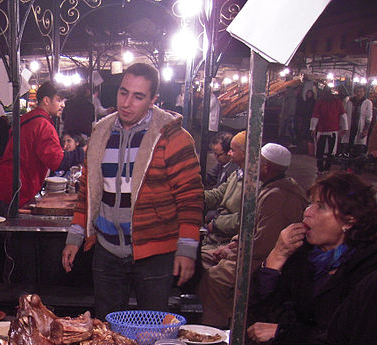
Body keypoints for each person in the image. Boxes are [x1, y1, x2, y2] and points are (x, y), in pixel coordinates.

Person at [62, 62, 203, 319]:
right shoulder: (101, 132)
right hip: (106, 249)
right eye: (123, 92)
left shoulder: (172, 137)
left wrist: (186, 249)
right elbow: (88, 191)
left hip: (154, 252)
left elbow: (191, 197)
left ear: (153, 100)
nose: (126, 103)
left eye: (138, 96)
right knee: (107, 330)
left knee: (153, 327)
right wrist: (75, 235)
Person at [246, 173, 377, 345]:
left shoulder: (366, 269)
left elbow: (340, 336)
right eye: (310, 204)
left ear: (348, 221)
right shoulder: (306, 255)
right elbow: (260, 309)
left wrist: (282, 332)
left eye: (321, 206)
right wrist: (277, 255)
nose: (308, 212)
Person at [0, 80, 65, 282]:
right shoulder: (43, 124)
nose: (62, 104)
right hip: (16, 190)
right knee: (13, 244)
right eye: (59, 100)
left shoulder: (26, 119)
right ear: (46, 100)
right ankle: (8, 288)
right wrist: (78, 152)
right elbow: (55, 160)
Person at [198, 143, 307, 328]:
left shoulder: (278, 197)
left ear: (266, 167)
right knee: (204, 259)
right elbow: (253, 230)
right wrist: (232, 245)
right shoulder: (270, 188)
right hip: (251, 250)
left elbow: (264, 245)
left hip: (263, 260)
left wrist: (230, 253)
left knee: (216, 278)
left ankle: (219, 328)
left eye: (256, 162)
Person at [200, 131, 246, 269]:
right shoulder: (236, 174)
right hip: (215, 237)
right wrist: (194, 197)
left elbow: (245, 219)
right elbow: (218, 194)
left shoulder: (253, 183)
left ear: (244, 153)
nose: (230, 154)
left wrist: (215, 224)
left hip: (225, 241)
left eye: (232, 150)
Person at [311, 87, 347, 173]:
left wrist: (312, 128)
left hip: (330, 130)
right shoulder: (322, 102)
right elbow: (315, 115)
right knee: (323, 150)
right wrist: (312, 128)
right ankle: (322, 168)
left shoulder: (335, 102)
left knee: (329, 151)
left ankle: (325, 168)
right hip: (325, 130)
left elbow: (343, 115)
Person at [344, 85, 373, 158]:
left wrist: (366, 129)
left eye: (361, 91)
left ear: (364, 92)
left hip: (360, 127)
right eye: (357, 91)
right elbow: (345, 114)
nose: (359, 93)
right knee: (348, 146)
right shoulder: (349, 102)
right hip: (350, 127)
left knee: (358, 148)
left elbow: (368, 117)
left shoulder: (367, 103)